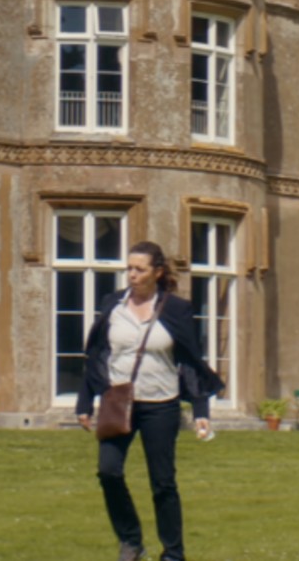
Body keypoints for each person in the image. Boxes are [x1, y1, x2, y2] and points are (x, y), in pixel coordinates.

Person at [77, 240, 224, 561]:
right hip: (119, 403)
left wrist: (201, 410)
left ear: (157, 272)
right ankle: (131, 541)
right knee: (108, 471)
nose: (131, 275)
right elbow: (97, 354)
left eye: (139, 269)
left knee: (163, 483)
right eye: (128, 268)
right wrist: (85, 403)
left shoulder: (176, 309)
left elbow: (190, 359)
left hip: (161, 406)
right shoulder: (112, 303)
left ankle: (173, 553)